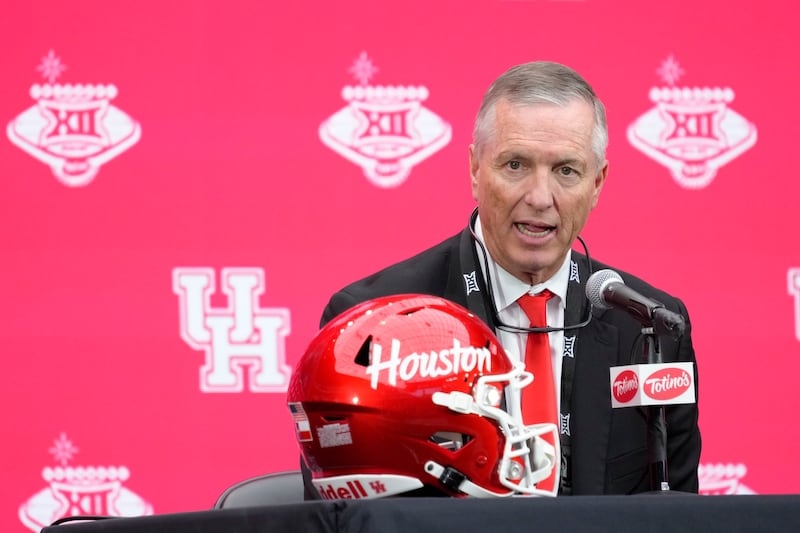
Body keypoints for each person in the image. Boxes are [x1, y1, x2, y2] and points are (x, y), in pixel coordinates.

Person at [304, 60, 701, 496]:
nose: (539, 197)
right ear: (476, 169)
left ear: (598, 183)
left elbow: (679, 514)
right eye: (515, 165)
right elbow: (345, 520)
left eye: (566, 171)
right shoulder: (368, 324)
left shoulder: (647, 326)